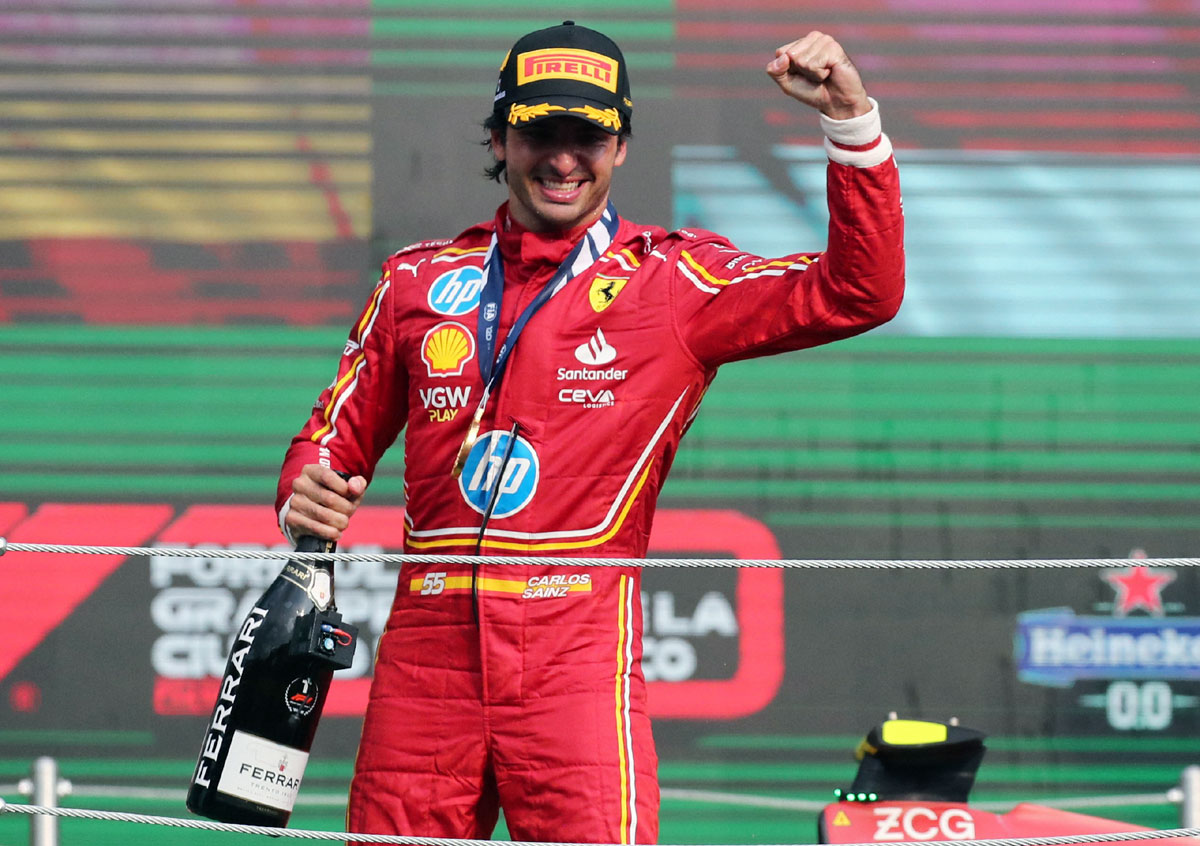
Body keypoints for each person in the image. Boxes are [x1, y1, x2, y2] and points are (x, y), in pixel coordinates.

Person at [275, 21, 904, 845]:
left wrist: (851, 125)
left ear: (622, 147)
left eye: (589, 135)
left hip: (575, 660)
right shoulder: (417, 281)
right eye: (541, 132)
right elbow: (330, 440)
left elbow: (859, 291)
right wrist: (305, 489)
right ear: (501, 138)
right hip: (426, 666)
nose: (563, 158)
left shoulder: (673, 281)